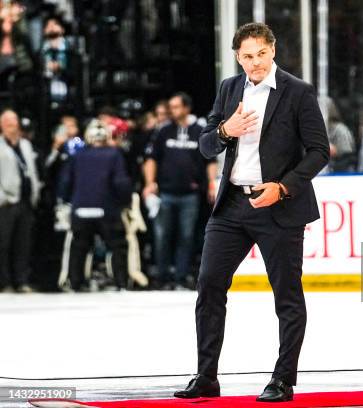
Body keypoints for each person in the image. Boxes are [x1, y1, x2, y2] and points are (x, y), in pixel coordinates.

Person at [174, 23, 329, 402]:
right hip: (231, 206)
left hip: (279, 205)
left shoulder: (298, 92)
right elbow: (207, 145)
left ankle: (282, 379)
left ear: (273, 50)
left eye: (261, 53)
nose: (255, 62)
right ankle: (206, 376)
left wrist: (283, 186)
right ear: (237, 57)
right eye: (247, 56)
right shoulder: (229, 88)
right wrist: (226, 130)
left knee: (286, 296)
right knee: (209, 285)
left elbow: (319, 151)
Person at [142, 92, 216, 290]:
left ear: (186, 108)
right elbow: (151, 159)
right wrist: (150, 183)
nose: (172, 111)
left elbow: (210, 160)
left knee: (187, 236)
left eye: (176, 107)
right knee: (162, 236)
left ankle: (181, 276)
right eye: (171, 107)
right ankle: (162, 276)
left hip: (190, 193)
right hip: (165, 192)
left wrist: (211, 183)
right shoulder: (164, 131)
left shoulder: (200, 130)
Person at [59, 119, 132, 292]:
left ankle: (75, 282)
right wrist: (125, 201)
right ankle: (121, 282)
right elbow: (121, 182)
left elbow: (65, 181)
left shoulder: (77, 155)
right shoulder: (114, 154)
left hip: (81, 209)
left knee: (79, 246)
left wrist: (66, 201)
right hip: (106, 209)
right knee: (117, 246)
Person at [0, 109, 40, 293]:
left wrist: (35, 193)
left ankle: (22, 280)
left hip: (25, 201)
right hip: (6, 202)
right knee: (4, 244)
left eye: (14, 123)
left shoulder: (25, 145)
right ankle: (5, 282)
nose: (12, 127)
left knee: (23, 243)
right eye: (9, 124)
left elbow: (31, 171)